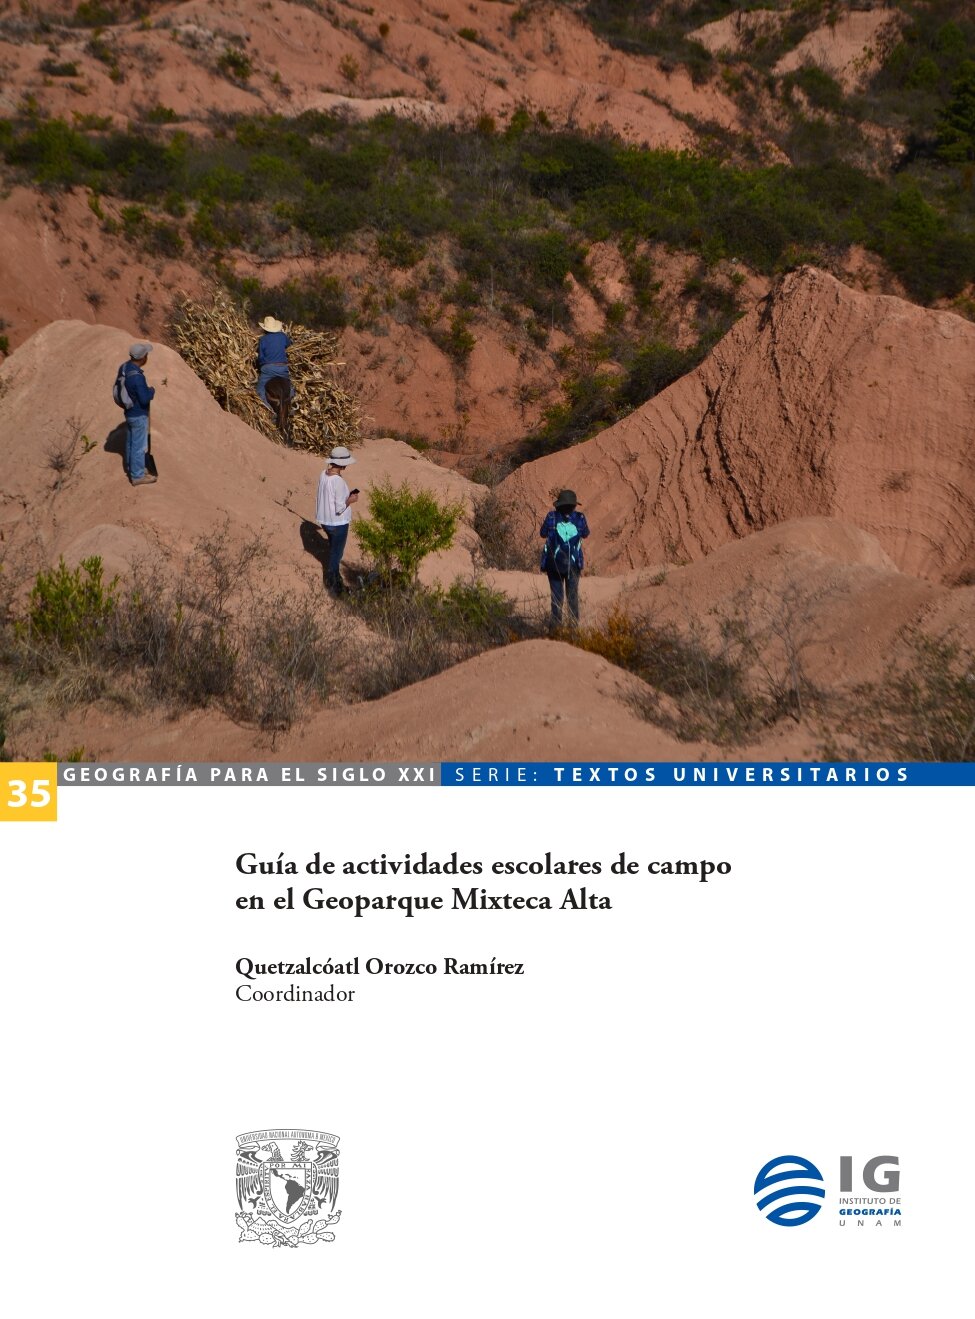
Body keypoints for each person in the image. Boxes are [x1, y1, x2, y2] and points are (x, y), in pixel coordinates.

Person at [540, 489, 590, 628]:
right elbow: (585, 534)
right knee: (572, 597)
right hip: (574, 564)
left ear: (559, 505)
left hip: (553, 564)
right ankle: (573, 629)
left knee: (557, 597)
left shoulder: (551, 517)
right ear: (574, 505)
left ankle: (556, 629)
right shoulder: (580, 518)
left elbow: (542, 533)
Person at [316, 446, 359, 595]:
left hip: (325, 520)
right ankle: (333, 585)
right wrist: (351, 499)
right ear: (341, 464)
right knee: (336, 555)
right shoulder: (338, 482)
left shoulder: (323, 474)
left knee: (334, 549)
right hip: (337, 523)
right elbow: (340, 507)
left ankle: (336, 580)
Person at [114, 342, 156, 486]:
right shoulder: (137, 377)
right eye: (146, 355)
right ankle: (137, 476)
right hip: (139, 414)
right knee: (139, 445)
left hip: (129, 412)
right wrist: (151, 391)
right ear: (143, 357)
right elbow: (144, 399)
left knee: (131, 442)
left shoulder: (124, 367)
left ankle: (131, 466)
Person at [255, 315, 293, 410]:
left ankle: (269, 410)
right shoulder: (283, 336)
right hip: (282, 368)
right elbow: (290, 345)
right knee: (290, 388)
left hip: (268, 369)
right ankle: (291, 405)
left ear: (265, 329)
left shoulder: (263, 340)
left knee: (259, 391)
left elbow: (261, 357)